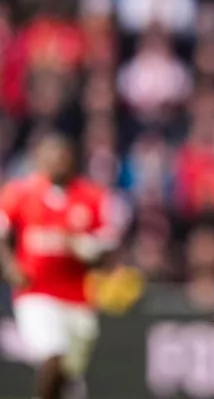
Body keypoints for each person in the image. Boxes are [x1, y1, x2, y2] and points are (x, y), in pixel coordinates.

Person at [0, 133, 118, 399]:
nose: (57, 163)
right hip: (35, 293)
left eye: (62, 157)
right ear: (39, 160)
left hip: (78, 297)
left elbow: (108, 246)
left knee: (68, 374)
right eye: (51, 157)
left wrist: (88, 250)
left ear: (73, 160)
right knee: (53, 356)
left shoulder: (92, 197)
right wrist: (9, 267)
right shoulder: (21, 193)